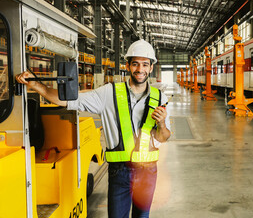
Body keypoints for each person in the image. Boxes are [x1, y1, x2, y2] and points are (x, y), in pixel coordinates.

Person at [16, 39, 171, 218]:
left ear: (151, 68)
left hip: (148, 171)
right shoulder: (108, 93)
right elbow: (69, 100)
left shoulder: (160, 97)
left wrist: (161, 124)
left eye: (145, 64)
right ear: (128, 66)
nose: (140, 69)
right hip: (119, 172)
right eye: (135, 64)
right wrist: (36, 85)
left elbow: (163, 137)